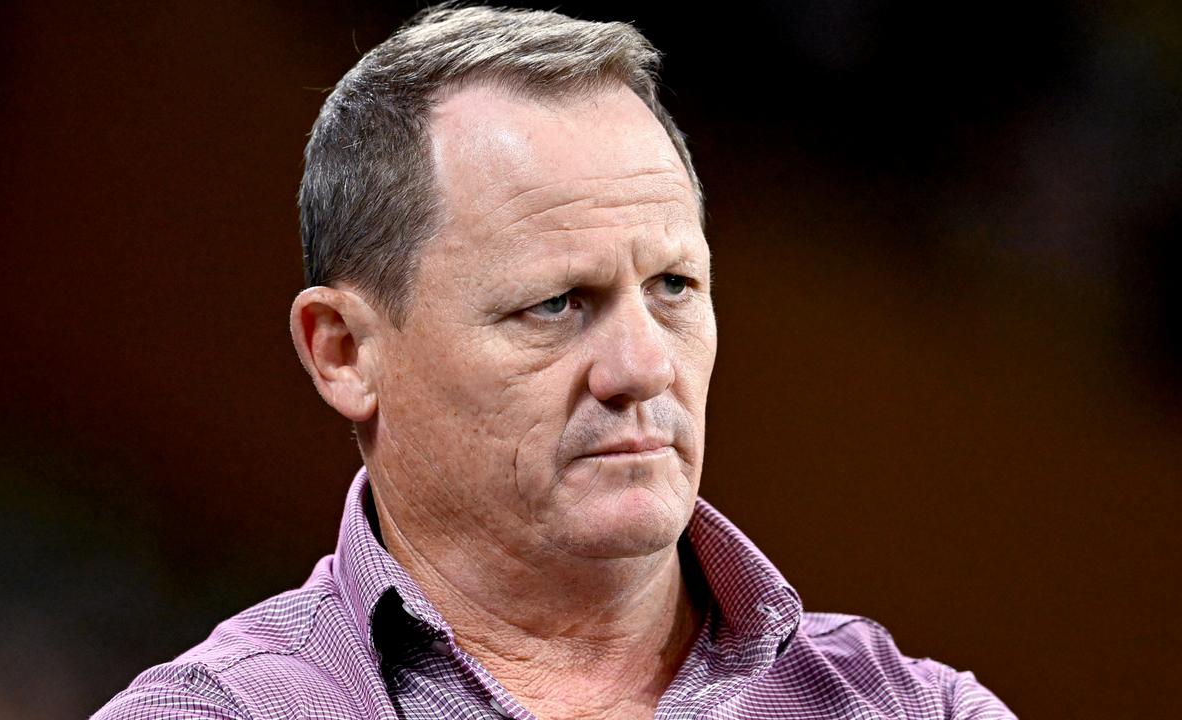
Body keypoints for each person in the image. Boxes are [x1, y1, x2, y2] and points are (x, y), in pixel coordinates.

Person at [93, 3, 1016, 718]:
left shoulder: (909, 705)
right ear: (345, 353)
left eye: (673, 288)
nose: (641, 367)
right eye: (556, 304)